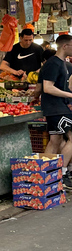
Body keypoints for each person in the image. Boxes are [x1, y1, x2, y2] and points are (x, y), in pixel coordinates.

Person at [38, 34, 72, 186]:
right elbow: (47, 87)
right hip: (56, 108)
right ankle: (61, 173)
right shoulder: (53, 63)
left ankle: (45, 174)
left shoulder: (62, 64)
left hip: (58, 107)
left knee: (55, 140)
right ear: (65, 46)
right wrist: (70, 94)